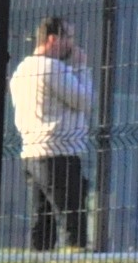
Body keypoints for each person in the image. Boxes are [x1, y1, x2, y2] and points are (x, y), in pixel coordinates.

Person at [9, 15, 92, 250]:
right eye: (70, 38)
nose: (73, 45)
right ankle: (76, 260)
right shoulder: (53, 68)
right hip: (59, 151)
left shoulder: (22, 70)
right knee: (72, 215)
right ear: (53, 39)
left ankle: (39, 259)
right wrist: (82, 68)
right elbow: (85, 100)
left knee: (42, 218)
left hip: (32, 152)